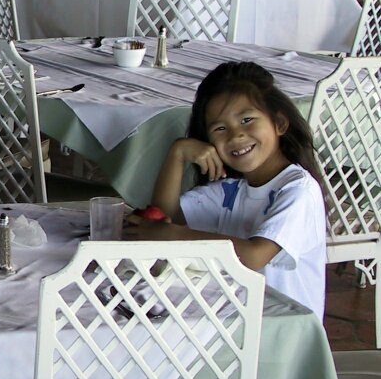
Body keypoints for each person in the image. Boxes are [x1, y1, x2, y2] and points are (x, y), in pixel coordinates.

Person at [126, 61, 327, 318]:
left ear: (279, 123)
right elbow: (165, 216)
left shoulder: (298, 190)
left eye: (247, 120)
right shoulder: (232, 190)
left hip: (282, 328)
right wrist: (177, 153)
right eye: (220, 128)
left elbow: (255, 255)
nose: (235, 135)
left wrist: (170, 233)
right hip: (235, 320)